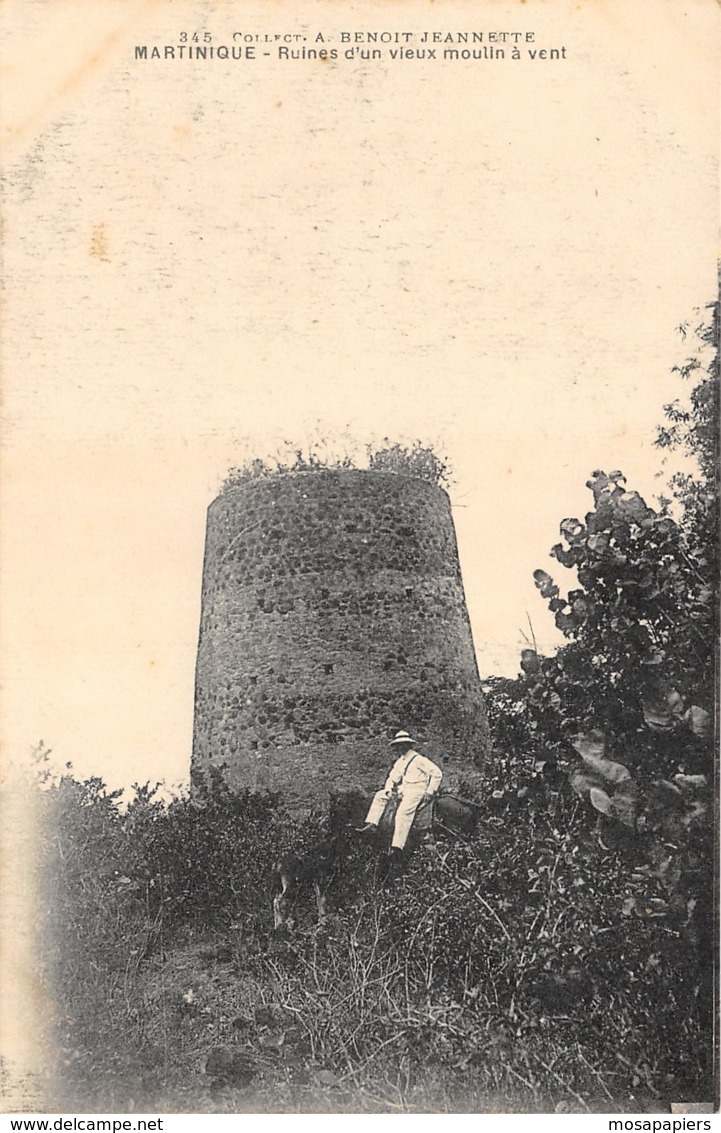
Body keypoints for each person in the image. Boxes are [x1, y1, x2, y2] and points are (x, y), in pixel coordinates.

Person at [357, 731, 443, 855]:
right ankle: (372, 824)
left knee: (403, 813)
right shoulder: (401, 761)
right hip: (403, 789)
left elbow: (437, 773)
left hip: (417, 790)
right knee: (380, 795)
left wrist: (430, 791)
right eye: (398, 745)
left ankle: (397, 846)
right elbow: (392, 777)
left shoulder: (419, 760)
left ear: (408, 745)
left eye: (403, 745)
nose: (400, 748)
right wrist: (389, 790)